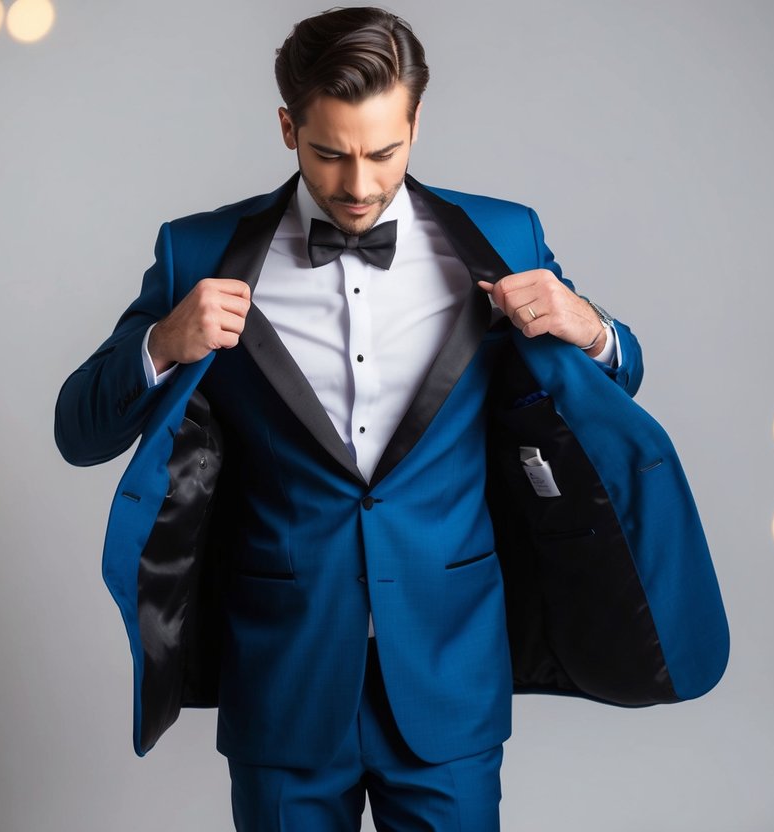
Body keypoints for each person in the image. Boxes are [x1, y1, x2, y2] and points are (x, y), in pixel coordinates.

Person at [55, 7, 728, 831]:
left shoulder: (503, 235)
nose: (360, 184)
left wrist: (589, 325)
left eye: (384, 152)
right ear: (286, 129)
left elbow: (616, 382)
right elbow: (77, 430)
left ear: (415, 122)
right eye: (330, 153)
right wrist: (162, 343)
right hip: (284, 676)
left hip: (448, 670)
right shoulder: (196, 252)